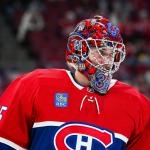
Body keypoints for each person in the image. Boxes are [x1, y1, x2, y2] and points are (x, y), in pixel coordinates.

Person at [0, 15, 149, 150]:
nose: (108, 61)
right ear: (79, 49)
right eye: (102, 51)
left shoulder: (137, 104)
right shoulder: (34, 85)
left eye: (113, 54)